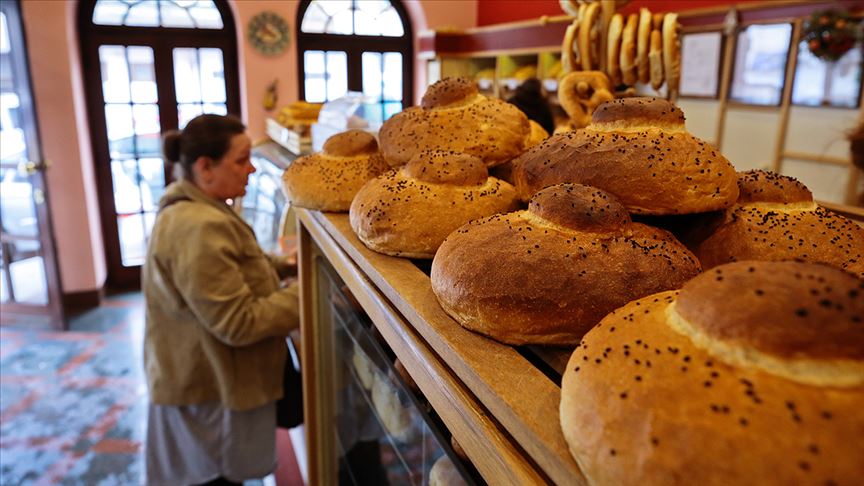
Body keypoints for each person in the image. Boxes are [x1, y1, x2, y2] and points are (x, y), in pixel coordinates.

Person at [142, 114, 300, 486]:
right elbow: (238, 323)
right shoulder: (196, 225)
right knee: (214, 477)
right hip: (209, 392)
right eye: (241, 160)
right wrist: (304, 294)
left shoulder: (202, 207)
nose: (251, 170)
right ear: (205, 167)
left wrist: (286, 266)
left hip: (207, 380)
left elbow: (237, 263)